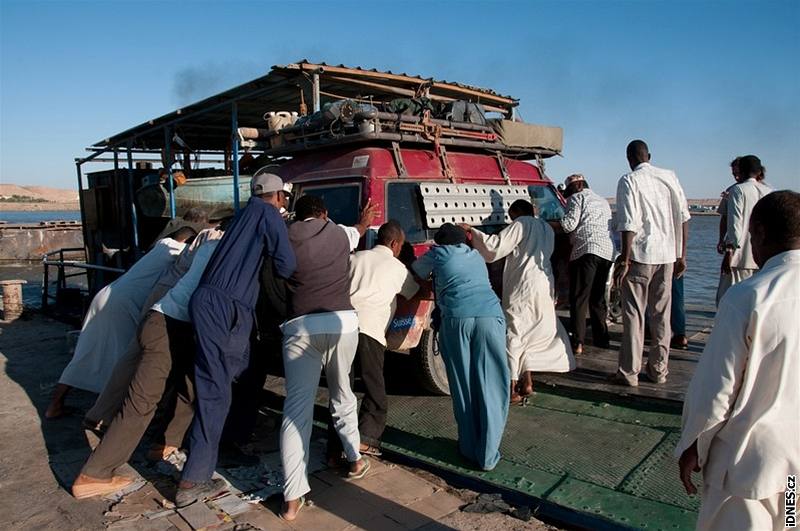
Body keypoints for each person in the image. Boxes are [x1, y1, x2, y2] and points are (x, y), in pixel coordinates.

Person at [676, 190, 799, 531]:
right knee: (790, 524)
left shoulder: (748, 297)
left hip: (749, 472)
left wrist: (692, 447)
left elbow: (717, 390)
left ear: (758, 231)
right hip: (792, 480)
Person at [176, 173, 296, 507]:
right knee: (216, 391)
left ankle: (226, 441)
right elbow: (287, 264)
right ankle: (193, 480)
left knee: (239, 375)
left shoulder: (242, 214)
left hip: (208, 302)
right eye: (284, 198)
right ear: (277, 196)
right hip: (227, 308)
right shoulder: (267, 213)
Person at [71, 237, 221, 499]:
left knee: (188, 388)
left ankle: (165, 444)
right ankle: (94, 474)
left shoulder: (208, 244)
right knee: (142, 402)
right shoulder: (221, 250)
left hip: (171, 320)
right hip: (169, 324)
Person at [45, 224, 198, 419]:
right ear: (188, 243)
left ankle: (55, 405)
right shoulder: (181, 253)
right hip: (125, 306)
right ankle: (110, 414)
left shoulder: (162, 244)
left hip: (105, 295)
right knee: (127, 362)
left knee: (85, 353)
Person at [84, 221, 223, 434]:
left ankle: (100, 413)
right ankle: (128, 420)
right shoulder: (214, 238)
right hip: (172, 297)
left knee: (134, 354)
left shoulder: (201, 236)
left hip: (161, 291)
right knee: (152, 361)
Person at [279, 195, 368, 521]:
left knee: (295, 411)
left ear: (297, 215)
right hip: (342, 324)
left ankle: (292, 499)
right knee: (342, 393)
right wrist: (365, 218)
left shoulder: (286, 236)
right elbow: (360, 229)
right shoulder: (340, 233)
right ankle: (355, 459)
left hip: (300, 328)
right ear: (324, 213)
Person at [412, 223, 508, 471]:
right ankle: (488, 455)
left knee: (462, 384)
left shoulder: (438, 253)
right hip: (490, 316)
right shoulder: (475, 254)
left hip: (457, 320)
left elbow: (416, 270)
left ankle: (468, 447)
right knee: (492, 384)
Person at [462, 200, 574, 405]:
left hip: (523, 285)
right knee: (532, 333)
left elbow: (494, 247)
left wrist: (472, 231)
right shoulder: (546, 228)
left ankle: (512, 387)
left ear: (518, 212)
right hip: (544, 284)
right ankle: (528, 381)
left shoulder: (522, 224)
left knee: (514, 331)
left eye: (511, 215)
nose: (511, 219)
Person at [612, 140, 690, 386]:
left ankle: (629, 373)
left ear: (629, 158)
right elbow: (684, 218)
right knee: (661, 315)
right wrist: (681, 255)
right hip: (667, 255)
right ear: (649, 156)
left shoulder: (629, 181)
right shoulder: (669, 177)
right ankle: (658, 371)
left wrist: (624, 260)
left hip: (640, 256)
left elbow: (628, 223)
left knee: (634, 315)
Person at [346, 220, 419, 455]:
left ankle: (338, 444)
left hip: (342, 327)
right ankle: (365, 440)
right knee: (374, 389)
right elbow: (414, 291)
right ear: (395, 243)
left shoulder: (355, 258)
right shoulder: (397, 268)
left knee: (343, 390)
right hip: (370, 331)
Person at [557, 174, 615, 354]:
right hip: (607, 252)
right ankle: (602, 338)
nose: (568, 195)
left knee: (579, 297)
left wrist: (550, 223)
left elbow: (569, 225)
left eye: (569, 191)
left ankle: (578, 342)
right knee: (598, 298)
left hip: (586, 250)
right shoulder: (603, 201)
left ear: (579, 185)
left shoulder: (577, 197)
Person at [717, 155, 772, 301]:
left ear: (741, 170)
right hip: (764, 257)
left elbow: (735, 224)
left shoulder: (737, 190)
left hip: (740, 257)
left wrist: (730, 251)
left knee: (728, 299)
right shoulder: (769, 192)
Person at [714, 158, 741, 305]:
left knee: (726, 294)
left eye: (738, 173)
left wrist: (729, 251)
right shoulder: (731, 190)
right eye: (734, 174)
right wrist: (721, 240)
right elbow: (725, 218)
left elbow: (734, 223)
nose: (736, 177)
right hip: (744, 250)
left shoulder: (734, 192)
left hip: (740, 250)